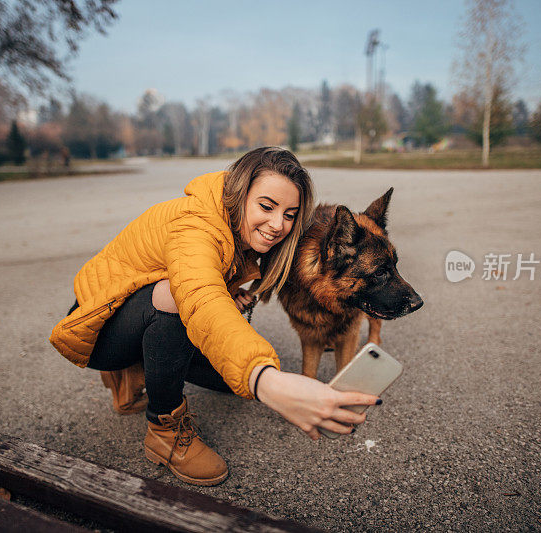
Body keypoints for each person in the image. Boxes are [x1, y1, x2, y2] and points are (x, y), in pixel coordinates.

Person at [50, 146, 380, 486]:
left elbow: (207, 290)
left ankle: (136, 370)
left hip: (138, 311)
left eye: (289, 214)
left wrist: (227, 297)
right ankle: (163, 430)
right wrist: (268, 383)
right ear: (239, 194)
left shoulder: (239, 230)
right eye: (266, 206)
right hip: (101, 326)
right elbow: (198, 294)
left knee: (231, 382)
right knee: (176, 298)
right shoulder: (196, 224)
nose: (277, 224)